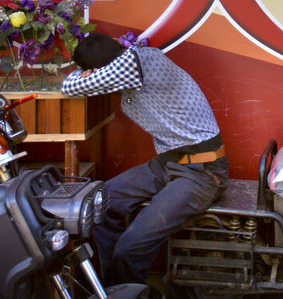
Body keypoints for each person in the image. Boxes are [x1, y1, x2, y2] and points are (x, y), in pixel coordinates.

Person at [61, 32, 228, 286]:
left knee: (131, 246)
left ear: (97, 68)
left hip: (201, 170)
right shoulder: (128, 65)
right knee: (99, 203)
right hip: (168, 163)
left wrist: (85, 76)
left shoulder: (137, 61)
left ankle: (126, 291)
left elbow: (69, 87)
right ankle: (115, 289)